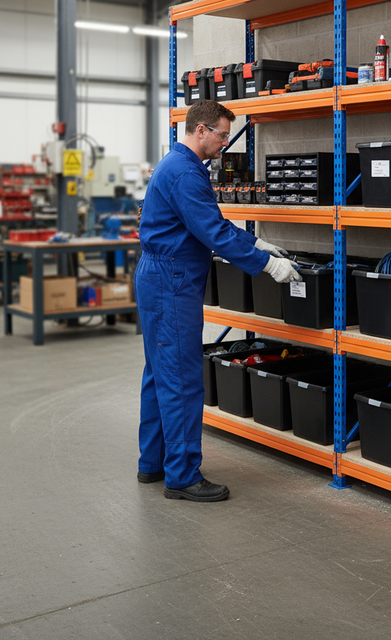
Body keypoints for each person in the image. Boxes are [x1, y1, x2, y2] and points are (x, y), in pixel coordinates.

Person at [135, 100, 300, 502]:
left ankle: (153, 463)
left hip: (161, 277)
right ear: (201, 130)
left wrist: (256, 241)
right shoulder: (185, 174)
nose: (226, 143)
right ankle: (182, 476)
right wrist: (266, 265)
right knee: (182, 380)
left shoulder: (182, 167)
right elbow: (213, 234)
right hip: (171, 280)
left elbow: (215, 224)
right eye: (223, 134)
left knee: (160, 374)